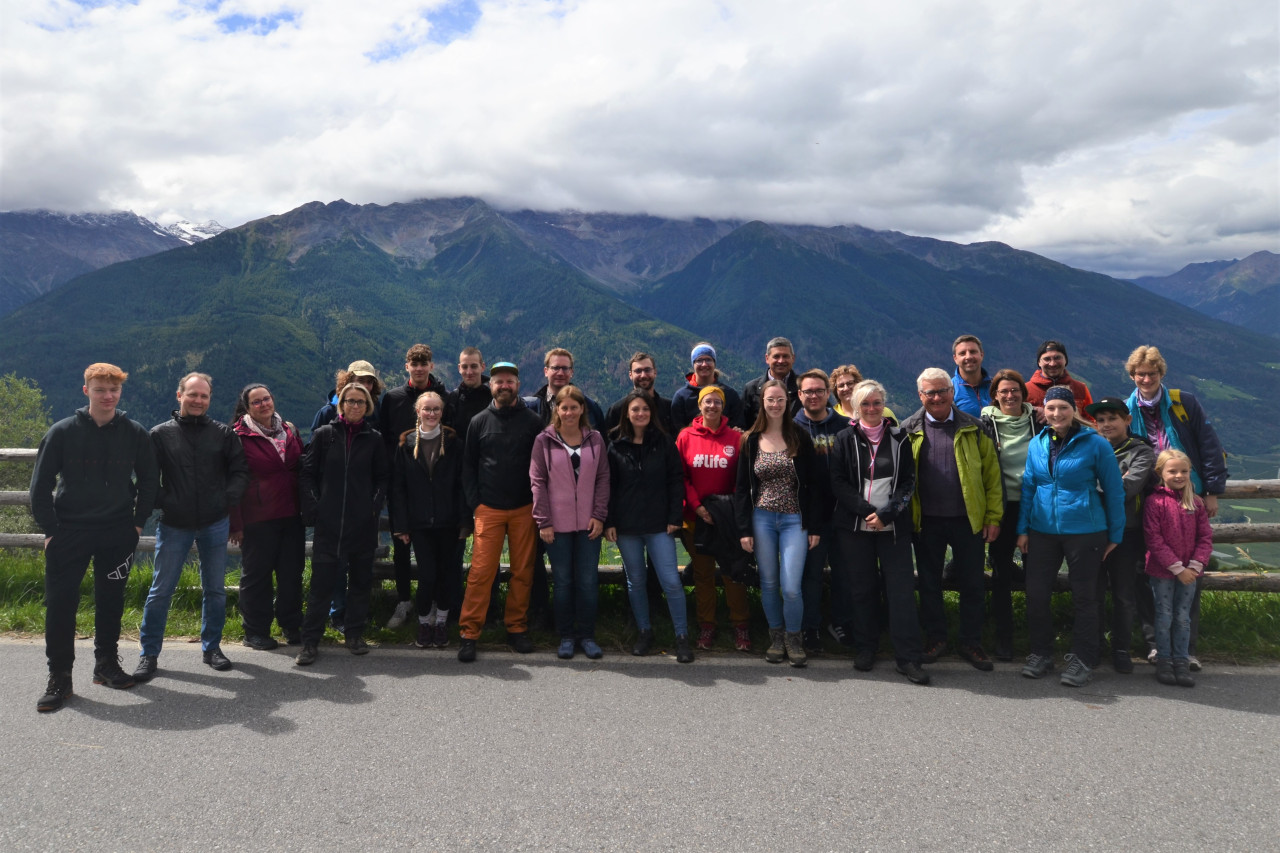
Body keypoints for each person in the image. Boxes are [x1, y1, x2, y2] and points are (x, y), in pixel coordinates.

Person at [29, 363, 159, 712]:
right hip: (69, 530)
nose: (108, 396)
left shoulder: (134, 433)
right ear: (85, 390)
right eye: (100, 389)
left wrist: (137, 523)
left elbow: (149, 480)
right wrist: (51, 530)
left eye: (114, 390)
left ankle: (105, 665)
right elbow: (39, 487)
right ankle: (60, 676)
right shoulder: (62, 432)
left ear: (120, 392)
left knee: (111, 600)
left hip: (117, 531)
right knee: (60, 605)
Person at [136, 372, 249, 681]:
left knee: (214, 590)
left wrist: (226, 500)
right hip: (175, 523)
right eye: (193, 394)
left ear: (209, 399)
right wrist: (166, 500)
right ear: (179, 395)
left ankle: (211, 647)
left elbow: (240, 471)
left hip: (215, 522)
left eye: (204, 396)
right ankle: (149, 654)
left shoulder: (224, 434)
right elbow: (145, 478)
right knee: (161, 590)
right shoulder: (159, 435)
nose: (198, 400)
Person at [1124, 344, 1227, 672]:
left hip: (1185, 497)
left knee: (1188, 572)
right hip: (1147, 499)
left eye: (1152, 373)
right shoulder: (1127, 409)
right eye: (1140, 373)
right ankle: (1156, 645)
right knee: (1146, 571)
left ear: (1161, 374)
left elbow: (1210, 446)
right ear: (1132, 376)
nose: (1146, 378)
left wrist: (1211, 490)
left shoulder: (1184, 403)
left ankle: (1186, 648)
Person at [1017, 386, 1125, 687]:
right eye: (1050, 408)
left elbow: (1114, 490)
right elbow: (1029, 487)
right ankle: (1041, 652)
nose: (1056, 414)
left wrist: (1114, 533)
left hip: (1086, 530)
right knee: (1036, 594)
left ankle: (1084, 658)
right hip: (1042, 530)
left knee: (1085, 597)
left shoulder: (1096, 444)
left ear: (1073, 409)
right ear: (1044, 410)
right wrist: (1022, 529)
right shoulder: (1037, 443)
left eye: (1062, 408)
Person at [829, 380, 929, 685]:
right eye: (865, 404)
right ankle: (866, 647)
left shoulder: (901, 438)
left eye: (876, 403)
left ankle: (908, 657)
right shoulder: (844, 439)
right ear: (856, 408)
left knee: (900, 592)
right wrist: (865, 511)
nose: (872, 409)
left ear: (884, 405)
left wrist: (886, 514)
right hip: (855, 526)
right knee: (862, 589)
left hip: (893, 527)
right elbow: (838, 482)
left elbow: (908, 483)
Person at [902, 368, 1002, 672]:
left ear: (952, 392)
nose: (936, 397)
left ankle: (971, 642)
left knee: (973, 583)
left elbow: (992, 477)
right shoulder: (907, 429)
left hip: (967, 520)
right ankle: (936, 639)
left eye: (942, 391)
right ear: (920, 395)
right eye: (929, 392)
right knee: (929, 584)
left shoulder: (975, 427)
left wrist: (993, 517)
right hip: (926, 521)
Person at [295, 382, 388, 665]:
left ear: (367, 406)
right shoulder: (324, 436)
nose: (355, 406)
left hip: (363, 525)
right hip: (329, 525)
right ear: (341, 404)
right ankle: (310, 641)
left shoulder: (374, 439)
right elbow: (307, 473)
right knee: (321, 585)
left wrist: (373, 507)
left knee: (359, 582)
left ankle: (354, 634)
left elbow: (383, 478)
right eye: (350, 401)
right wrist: (316, 506)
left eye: (361, 402)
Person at [457, 361, 544, 662]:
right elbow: (468, 466)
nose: (504, 386)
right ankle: (469, 632)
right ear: (490, 385)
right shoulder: (479, 421)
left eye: (510, 381)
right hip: (489, 509)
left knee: (523, 572)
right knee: (481, 572)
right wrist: (475, 503)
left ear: (518, 385)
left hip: (524, 508)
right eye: (499, 382)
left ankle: (516, 628)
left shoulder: (533, 422)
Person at [736, 380, 819, 667]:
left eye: (780, 399)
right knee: (769, 583)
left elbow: (814, 485)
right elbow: (741, 488)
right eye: (770, 399)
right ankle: (776, 637)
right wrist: (744, 529)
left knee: (791, 586)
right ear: (762, 402)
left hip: (795, 519)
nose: (775, 404)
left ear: (788, 402)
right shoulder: (750, 439)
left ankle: (794, 637)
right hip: (762, 519)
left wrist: (815, 526)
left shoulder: (799, 436)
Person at [605, 390, 692, 662]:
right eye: (635, 410)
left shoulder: (665, 442)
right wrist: (609, 521)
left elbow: (676, 480)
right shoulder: (615, 445)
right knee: (636, 582)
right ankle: (645, 632)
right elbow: (608, 486)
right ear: (626, 414)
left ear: (651, 413)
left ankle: (682, 636)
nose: (640, 413)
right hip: (627, 525)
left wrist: (675, 517)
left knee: (671, 582)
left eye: (644, 409)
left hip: (659, 525)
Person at [531, 386, 611, 659]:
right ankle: (566, 635)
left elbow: (603, 479)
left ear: (581, 410)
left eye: (573, 407)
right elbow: (538, 482)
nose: (568, 412)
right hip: (556, 525)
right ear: (556, 410)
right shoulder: (544, 440)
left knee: (588, 581)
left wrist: (599, 516)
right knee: (563, 581)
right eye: (563, 407)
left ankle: (587, 635)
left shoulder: (595, 439)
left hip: (589, 523)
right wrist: (544, 521)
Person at [676, 385, 753, 651]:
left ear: (723, 406)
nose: (712, 406)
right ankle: (706, 626)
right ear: (699, 405)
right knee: (703, 575)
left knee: (734, 573)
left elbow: (741, 480)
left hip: (728, 520)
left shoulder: (736, 438)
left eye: (717, 402)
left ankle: (741, 626)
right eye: (707, 402)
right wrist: (697, 506)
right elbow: (681, 477)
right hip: (695, 518)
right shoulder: (685, 437)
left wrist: (725, 513)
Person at [229, 383, 305, 651]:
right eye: (257, 402)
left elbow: (301, 468)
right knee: (257, 576)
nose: (264, 404)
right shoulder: (238, 437)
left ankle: (292, 625)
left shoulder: (289, 430)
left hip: (291, 515)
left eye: (267, 399)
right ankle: (255, 631)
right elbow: (233, 482)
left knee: (291, 574)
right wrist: (235, 524)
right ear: (247, 408)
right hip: (257, 518)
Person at [390, 391, 467, 650]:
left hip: (449, 522)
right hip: (419, 524)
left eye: (436, 409)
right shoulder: (405, 443)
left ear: (442, 412)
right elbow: (397, 487)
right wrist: (400, 525)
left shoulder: (455, 443)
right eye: (427, 409)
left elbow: (462, 485)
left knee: (446, 576)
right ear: (418, 411)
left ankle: (442, 623)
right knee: (427, 576)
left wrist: (464, 522)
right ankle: (424, 623)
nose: (431, 413)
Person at [379, 344, 448, 630]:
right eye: (414, 363)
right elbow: (383, 438)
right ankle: (405, 599)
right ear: (406, 366)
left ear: (431, 366)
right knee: (400, 544)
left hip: (433, 485)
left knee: (433, 548)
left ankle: (431, 600)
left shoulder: (443, 397)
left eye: (424, 363)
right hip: (401, 482)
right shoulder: (392, 398)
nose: (419, 368)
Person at [1087, 397, 1155, 674]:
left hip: (1127, 533)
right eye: (1101, 420)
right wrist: (1112, 480)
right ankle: (1093, 646)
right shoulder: (1089, 448)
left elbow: (1128, 489)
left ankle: (1121, 649)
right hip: (1091, 531)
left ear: (1127, 420)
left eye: (1112, 418)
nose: (1106, 424)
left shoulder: (1142, 452)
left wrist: (1095, 486)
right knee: (1092, 593)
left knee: (1124, 595)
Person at [979, 369, 1041, 661]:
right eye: (1003, 391)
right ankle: (1004, 639)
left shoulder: (1039, 422)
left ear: (1023, 393)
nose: (1010, 395)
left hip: (1035, 506)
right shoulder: (985, 424)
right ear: (995, 396)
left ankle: (1037, 640)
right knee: (1002, 574)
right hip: (1001, 507)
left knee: (1036, 575)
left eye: (1015, 389)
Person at [1143, 449, 1212, 688]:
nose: (1179, 475)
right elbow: (1154, 539)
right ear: (1160, 473)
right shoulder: (1155, 502)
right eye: (1172, 471)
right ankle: (1164, 659)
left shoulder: (1196, 502)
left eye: (1184, 471)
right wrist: (1177, 568)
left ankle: (1181, 660)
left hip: (1191, 572)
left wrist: (1194, 565)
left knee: (1183, 617)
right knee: (1164, 615)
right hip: (1162, 571)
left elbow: (1205, 537)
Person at [793, 368, 849, 651]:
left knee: (844, 572)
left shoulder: (845, 426)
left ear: (829, 393)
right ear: (799, 394)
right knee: (811, 575)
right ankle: (810, 628)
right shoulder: (791, 428)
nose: (814, 396)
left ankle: (840, 622)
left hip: (842, 514)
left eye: (819, 391)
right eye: (808, 391)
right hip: (807, 517)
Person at [524, 347, 605, 429]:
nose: (560, 373)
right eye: (555, 368)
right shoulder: (531, 408)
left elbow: (602, 440)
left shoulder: (590, 407)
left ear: (571, 372)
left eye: (565, 368)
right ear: (546, 371)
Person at [670, 343, 744, 431]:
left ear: (714, 363)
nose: (704, 364)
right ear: (693, 364)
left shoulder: (730, 394)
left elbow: (739, 425)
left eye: (708, 360)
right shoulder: (681, 397)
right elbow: (676, 430)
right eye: (699, 360)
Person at [605, 351, 675, 435]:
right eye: (638, 371)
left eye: (647, 370)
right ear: (630, 375)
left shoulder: (669, 409)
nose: (643, 375)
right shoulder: (617, 411)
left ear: (655, 372)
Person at [741, 336, 800, 426]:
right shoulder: (751, 389)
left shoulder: (804, 387)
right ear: (767, 358)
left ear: (793, 358)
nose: (781, 361)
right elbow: (743, 424)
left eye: (785, 356)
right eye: (776, 356)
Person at [1025, 340, 1093, 417]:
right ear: (1039, 363)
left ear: (1065, 360)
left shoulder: (1080, 389)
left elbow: (1091, 420)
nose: (1052, 364)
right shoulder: (1025, 390)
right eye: (1047, 359)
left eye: (1057, 358)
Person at [311, 360, 384, 431]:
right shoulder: (327, 413)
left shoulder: (375, 408)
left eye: (369, 382)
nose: (365, 386)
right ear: (348, 381)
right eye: (360, 381)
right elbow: (314, 441)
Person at [446, 346, 491, 438]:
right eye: (465, 367)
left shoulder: (493, 397)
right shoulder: (453, 399)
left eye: (474, 366)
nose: (469, 372)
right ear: (459, 368)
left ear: (482, 367)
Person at [950, 335, 992, 417]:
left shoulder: (996, 387)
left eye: (973, 352)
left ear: (982, 355)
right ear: (955, 359)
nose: (968, 357)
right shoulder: (949, 390)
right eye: (962, 353)